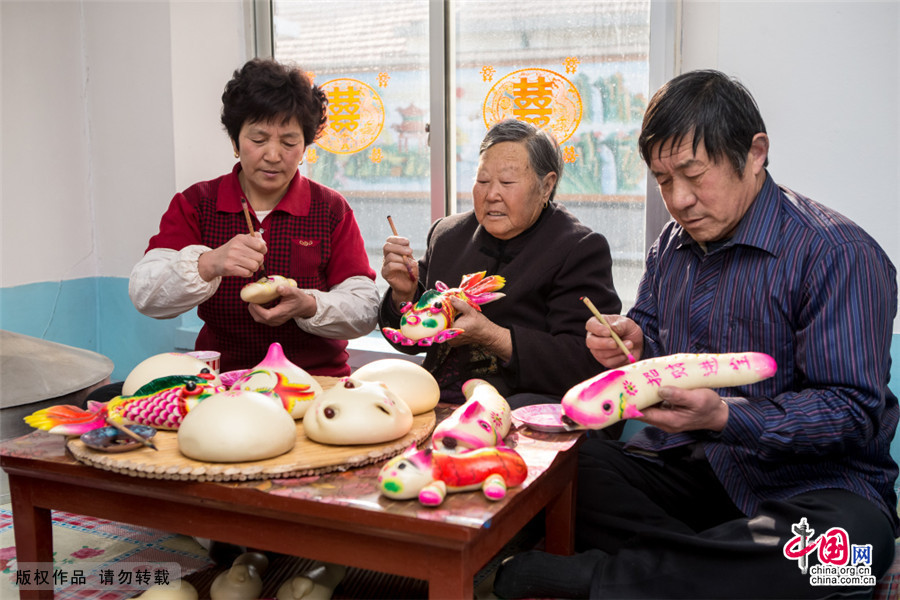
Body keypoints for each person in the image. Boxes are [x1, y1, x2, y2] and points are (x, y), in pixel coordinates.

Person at [493, 70, 899, 598]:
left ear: (755, 153)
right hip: (689, 472)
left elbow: (853, 410)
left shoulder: (838, 254)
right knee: (542, 440)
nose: (679, 200)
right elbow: (655, 342)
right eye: (664, 181)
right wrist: (634, 345)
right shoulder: (672, 244)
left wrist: (728, 416)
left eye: (693, 174)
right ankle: (707, 573)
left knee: (852, 557)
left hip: (816, 492)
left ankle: (614, 577)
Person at [130, 58, 378, 376]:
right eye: (258, 140)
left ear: (305, 148)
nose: (273, 155)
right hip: (225, 382)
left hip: (316, 380)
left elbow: (365, 308)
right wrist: (208, 264)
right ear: (235, 141)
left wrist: (309, 305)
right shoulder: (197, 204)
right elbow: (145, 295)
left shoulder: (330, 209)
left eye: (289, 142)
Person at [379, 119, 622, 413]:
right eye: (482, 181)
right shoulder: (447, 235)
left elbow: (583, 362)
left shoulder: (578, 248)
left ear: (546, 186)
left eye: (507, 182)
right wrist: (404, 297)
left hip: (523, 406)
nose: (491, 194)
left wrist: (491, 335)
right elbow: (411, 341)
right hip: (439, 397)